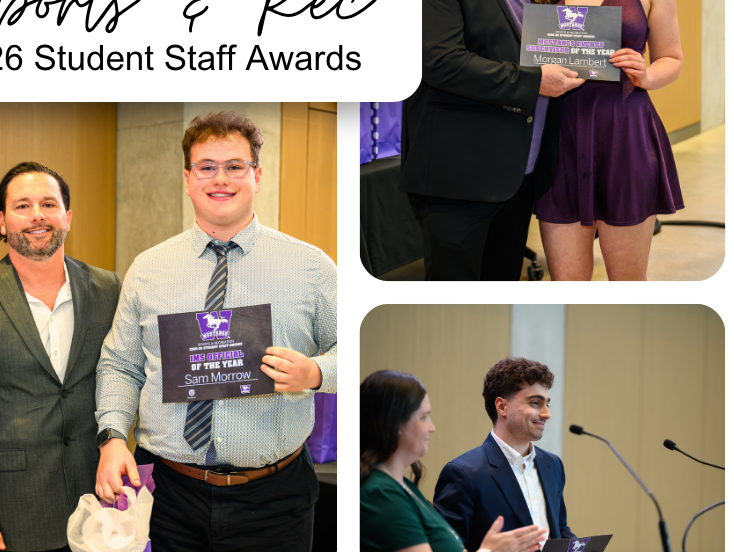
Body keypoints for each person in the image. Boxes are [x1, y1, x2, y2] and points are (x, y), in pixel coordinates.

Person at [95, 111, 338, 550]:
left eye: (234, 167)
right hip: (167, 494)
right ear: (188, 178)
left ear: (257, 176)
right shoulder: (148, 269)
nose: (220, 179)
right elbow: (120, 364)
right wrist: (112, 437)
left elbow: (350, 347)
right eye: (207, 167)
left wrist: (315, 373)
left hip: (274, 499)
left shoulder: (311, 268)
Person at [401, 0, 583, 281]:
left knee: (502, 279)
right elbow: (442, 63)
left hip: (516, 176)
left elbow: (540, 48)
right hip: (459, 181)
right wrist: (537, 80)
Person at [528, 0, 683, 280]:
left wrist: (646, 75)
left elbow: (672, 57)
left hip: (625, 136)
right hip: (560, 138)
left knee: (627, 284)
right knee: (568, 285)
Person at [0, 162, 123, 552]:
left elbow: (124, 376)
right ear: (2, 222)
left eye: (48, 204)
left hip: (100, 499)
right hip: (14, 509)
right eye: (22, 206)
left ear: (67, 217)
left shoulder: (109, 289)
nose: (37, 216)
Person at [360, 369, 544, 552]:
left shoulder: (404, 486)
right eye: (424, 417)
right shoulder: (381, 493)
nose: (432, 427)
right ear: (395, 424)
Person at [433, 358, 577, 550]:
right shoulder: (463, 473)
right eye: (536, 403)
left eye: (547, 404)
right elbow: (445, 548)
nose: (547, 413)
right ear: (502, 407)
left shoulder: (552, 464)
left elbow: (558, 528)